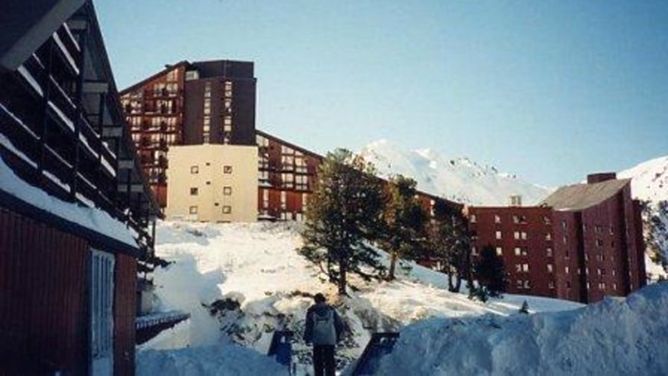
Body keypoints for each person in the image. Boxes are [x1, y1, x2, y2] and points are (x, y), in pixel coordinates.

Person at [303, 293, 344, 376]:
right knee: (330, 361)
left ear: (315, 301)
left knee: (318, 361)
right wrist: (339, 336)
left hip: (317, 339)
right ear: (324, 300)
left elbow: (309, 325)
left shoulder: (311, 311)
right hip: (330, 339)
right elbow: (339, 324)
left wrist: (307, 338)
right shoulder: (331, 310)